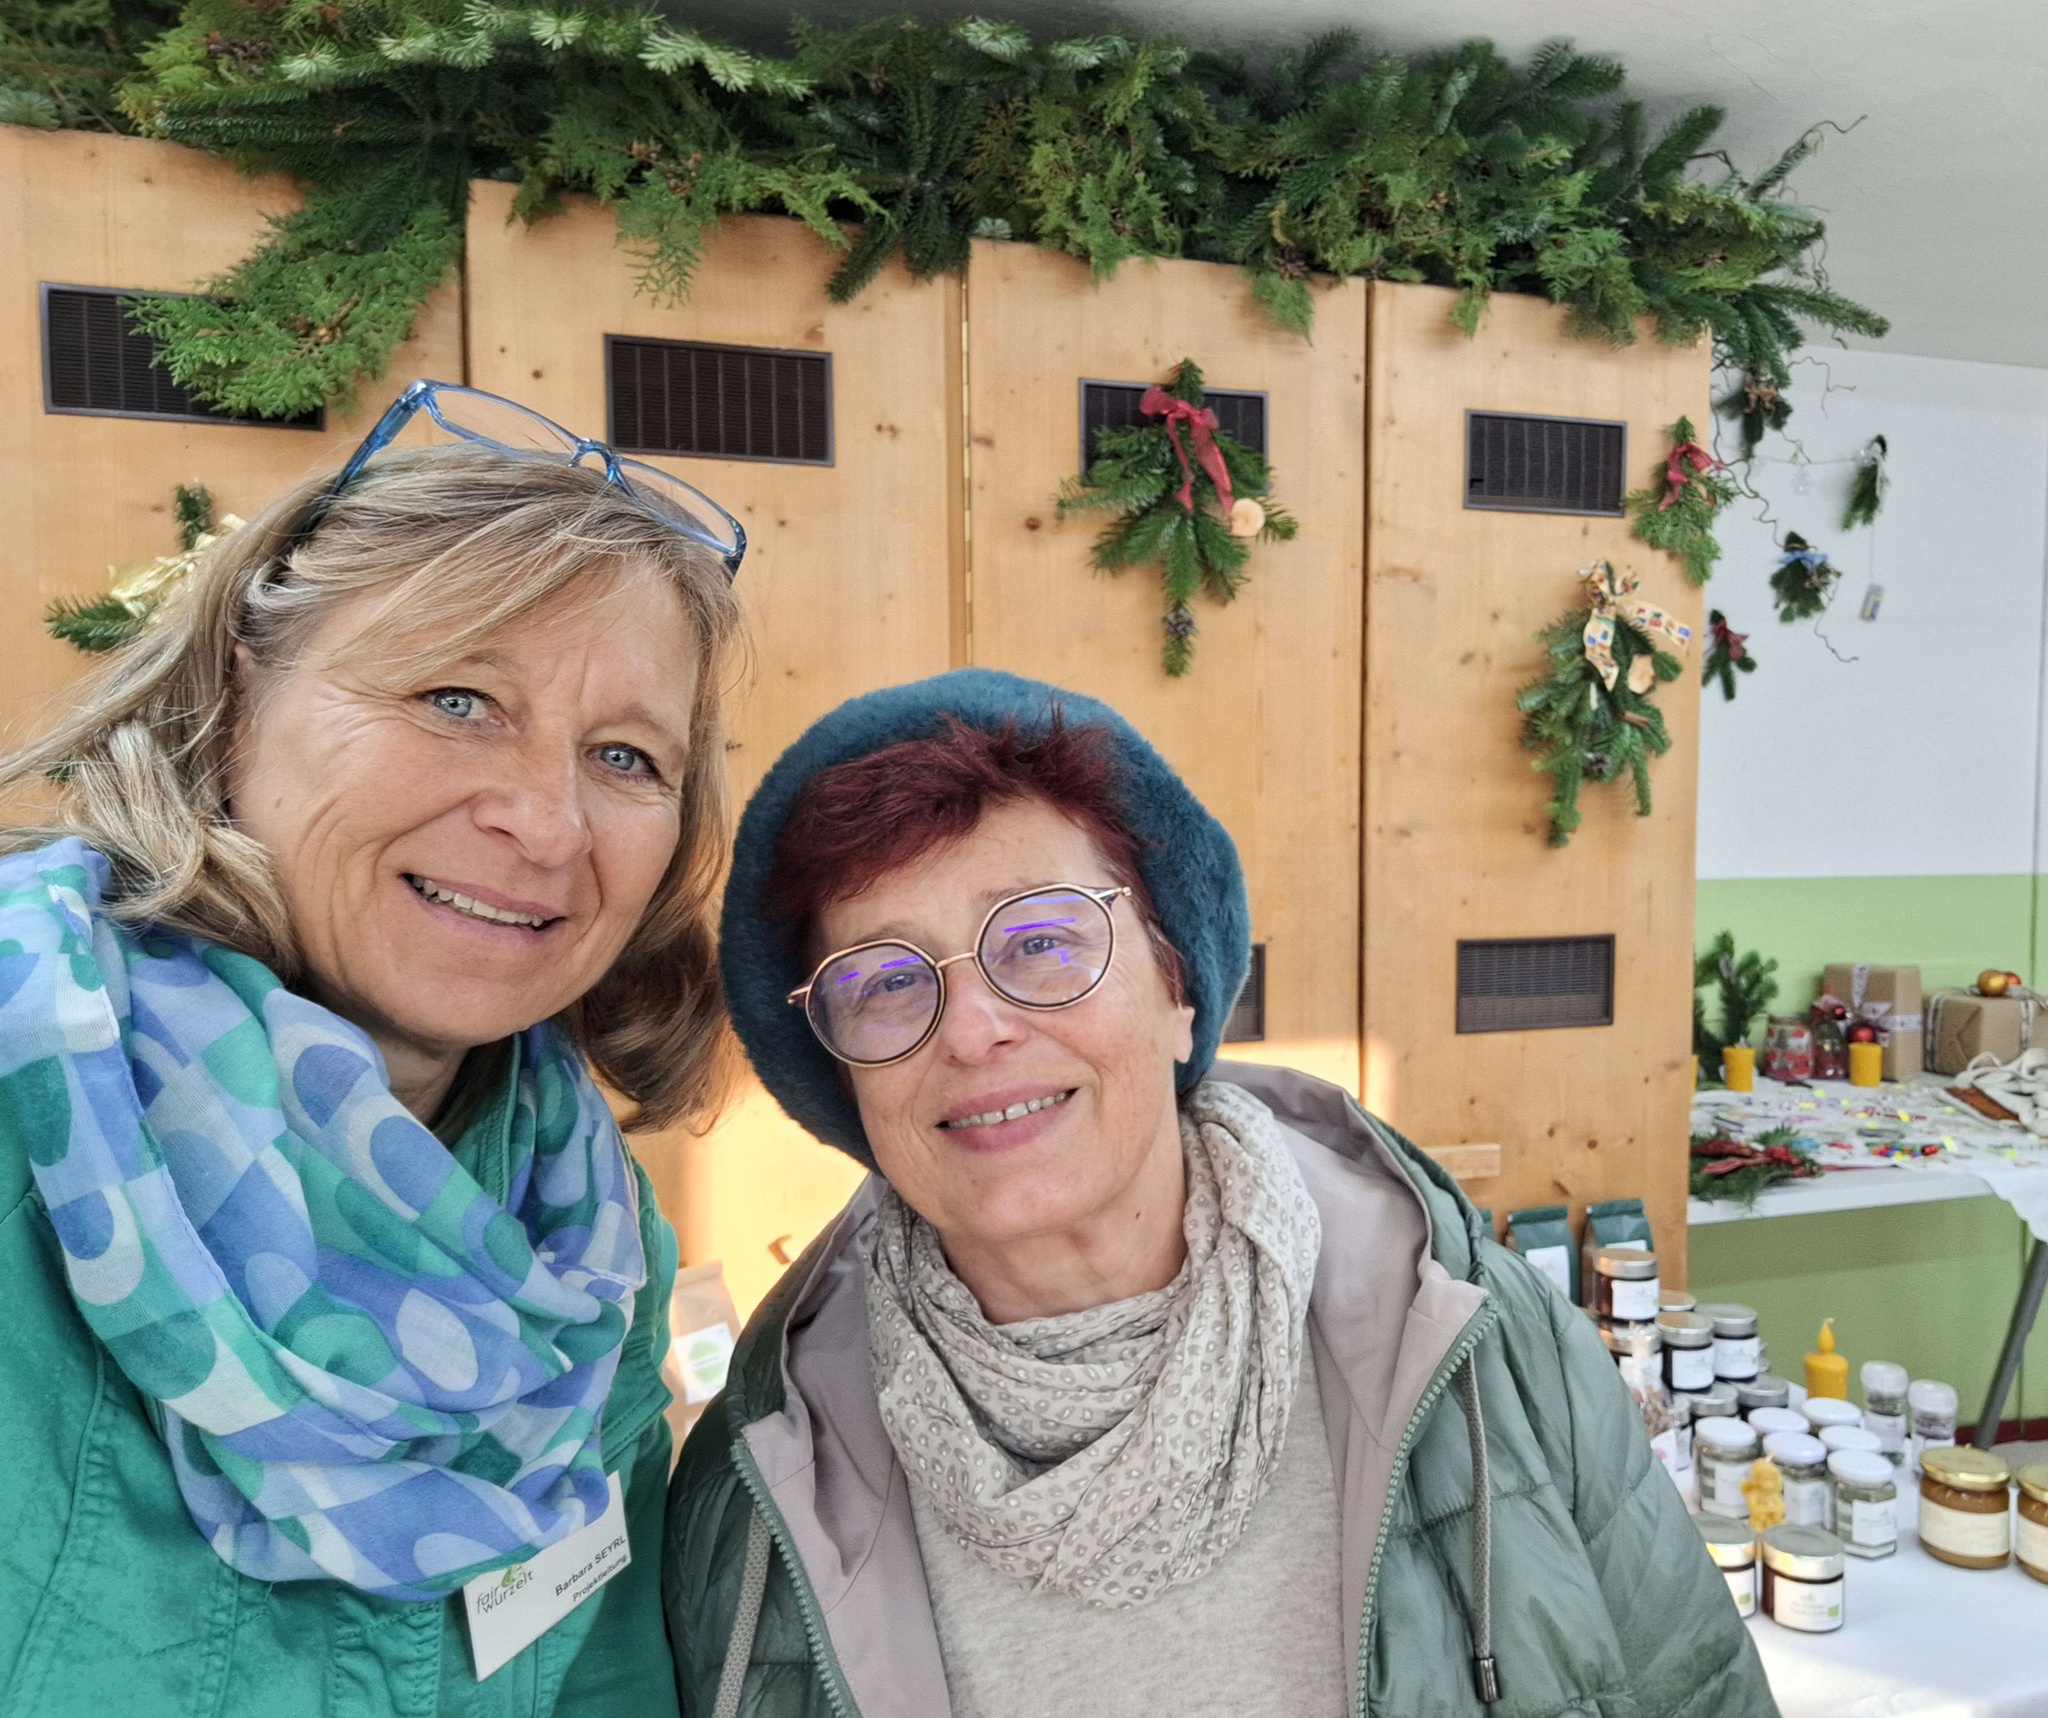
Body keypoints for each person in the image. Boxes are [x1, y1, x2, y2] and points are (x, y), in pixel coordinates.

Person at [665, 668, 1776, 1718]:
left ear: (1177, 992)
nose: (972, 1030)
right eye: (885, 981)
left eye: (1042, 939)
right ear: (845, 1080)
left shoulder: (1487, 1343)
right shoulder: (759, 1485)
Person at [0, 382, 745, 1718]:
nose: (547, 823)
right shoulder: (26, 1093)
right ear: (239, 706)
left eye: (626, 756)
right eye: (458, 697)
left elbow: (603, 1680)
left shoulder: (588, 1239)